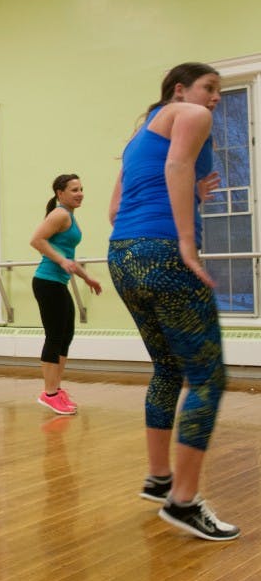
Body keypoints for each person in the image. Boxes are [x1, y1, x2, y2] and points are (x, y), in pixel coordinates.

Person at [107, 62, 238, 541]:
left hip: (124, 256)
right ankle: (182, 503)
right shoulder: (190, 115)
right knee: (209, 378)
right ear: (180, 90)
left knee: (167, 368)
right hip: (164, 255)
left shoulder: (139, 136)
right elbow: (178, 165)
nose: (216, 98)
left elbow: (115, 210)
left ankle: (159, 477)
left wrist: (192, 197)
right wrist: (186, 242)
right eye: (210, 88)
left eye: (219, 91)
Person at [30, 174, 102, 415]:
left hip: (57, 282)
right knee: (55, 336)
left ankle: (56, 390)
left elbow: (67, 255)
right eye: (74, 190)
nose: (80, 193)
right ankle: (49, 394)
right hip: (47, 282)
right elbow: (36, 240)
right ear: (60, 193)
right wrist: (61, 261)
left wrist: (86, 277)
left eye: (81, 189)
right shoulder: (59, 214)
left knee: (65, 335)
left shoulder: (69, 216)